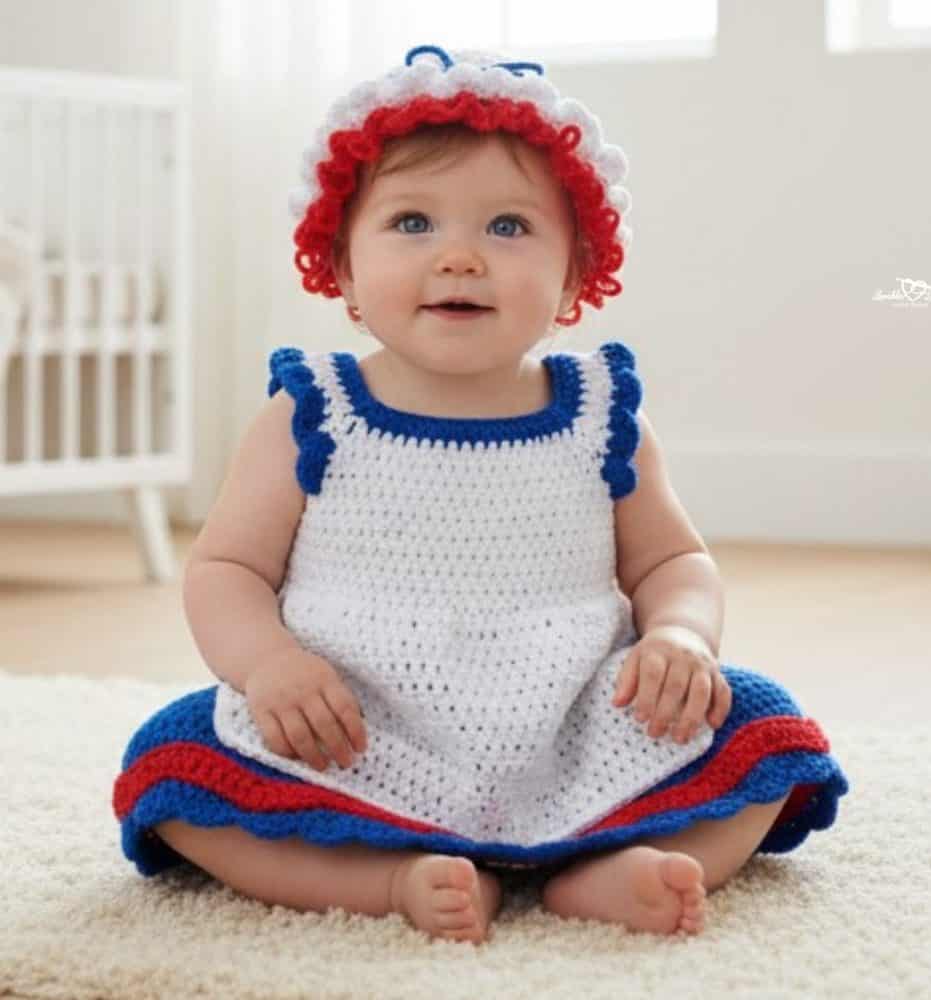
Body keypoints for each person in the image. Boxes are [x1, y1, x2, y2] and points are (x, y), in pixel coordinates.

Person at [112, 44, 849, 946]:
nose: (459, 257)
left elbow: (672, 558)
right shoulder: (310, 412)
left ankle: (597, 867)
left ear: (577, 272)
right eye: (413, 223)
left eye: (507, 228)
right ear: (340, 266)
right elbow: (226, 567)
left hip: (575, 725)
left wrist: (680, 636)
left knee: (763, 728)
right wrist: (268, 666)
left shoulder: (601, 414)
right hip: (360, 730)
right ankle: (390, 878)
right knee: (173, 762)